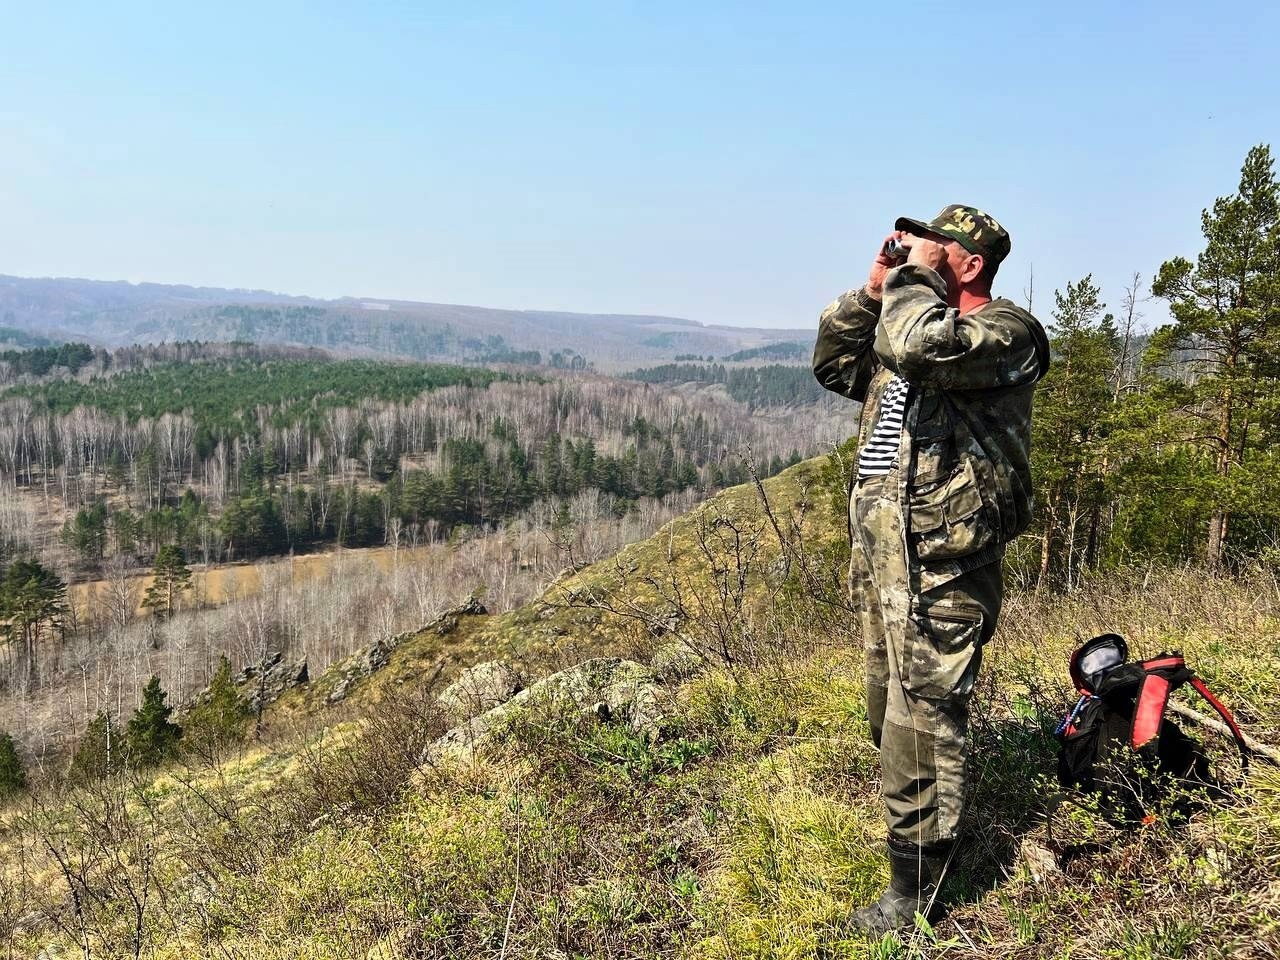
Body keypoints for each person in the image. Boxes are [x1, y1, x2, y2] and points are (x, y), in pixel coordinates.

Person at [812, 205, 1050, 934]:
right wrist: (874, 287)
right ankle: (920, 838)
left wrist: (912, 281)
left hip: (943, 563)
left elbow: (917, 346)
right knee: (888, 709)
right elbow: (835, 364)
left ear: (970, 265)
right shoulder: (908, 322)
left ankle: (914, 893)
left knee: (922, 721)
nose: (917, 249)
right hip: (888, 553)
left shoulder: (1006, 334)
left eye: (936, 245)